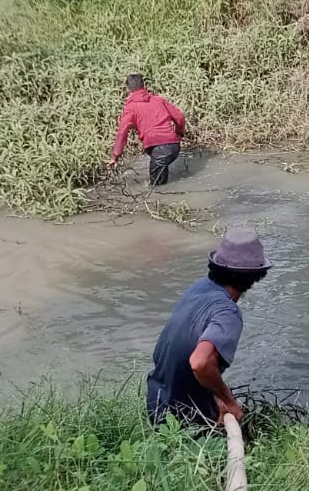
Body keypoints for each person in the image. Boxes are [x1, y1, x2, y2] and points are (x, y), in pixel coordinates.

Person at [146, 229, 271, 426]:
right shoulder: (228, 312)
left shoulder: (199, 288)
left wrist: (218, 394)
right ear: (257, 275)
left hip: (156, 401)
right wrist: (230, 402)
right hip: (184, 417)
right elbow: (200, 362)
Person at [109, 73, 188, 187]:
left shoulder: (130, 107)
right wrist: (179, 133)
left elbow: (122, 132)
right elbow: (179, 117)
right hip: (174, 147)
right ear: (144, 86)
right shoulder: (158, 100)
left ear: (128, 90)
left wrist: (115, 156)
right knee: (161, 179)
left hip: (158, 149)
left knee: (157, 189)